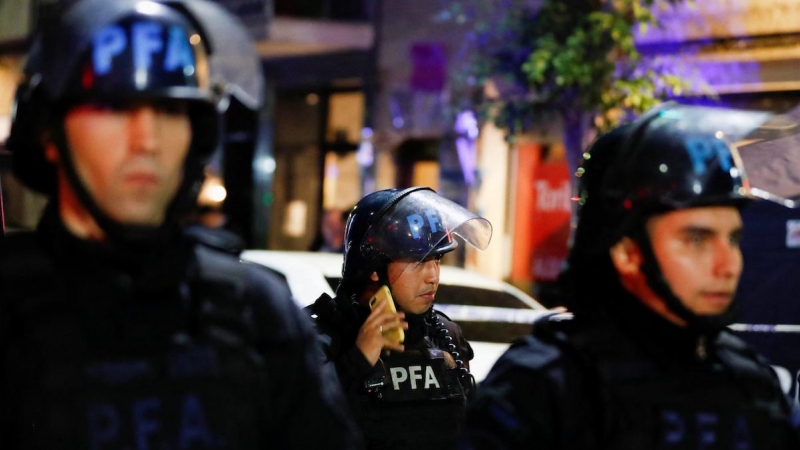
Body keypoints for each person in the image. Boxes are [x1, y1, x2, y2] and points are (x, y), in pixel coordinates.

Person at [0, 1, 361, 448]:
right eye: (114, 107)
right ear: (48, 133)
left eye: (171, 110)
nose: (147, 141)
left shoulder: (257, 312)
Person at [459, 104, 800, 449]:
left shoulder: (750, 382)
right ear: (627, 252)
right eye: (696, 239)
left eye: (734, 238)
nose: (728, 265)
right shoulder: (542, 389)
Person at [307, 186, 493, 449]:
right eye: (418, 261)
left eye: (437, 259)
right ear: (374, 268)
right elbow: (295, 424)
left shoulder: (445, 334)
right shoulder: (318, 335)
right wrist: (357, 360)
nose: (433, 276)